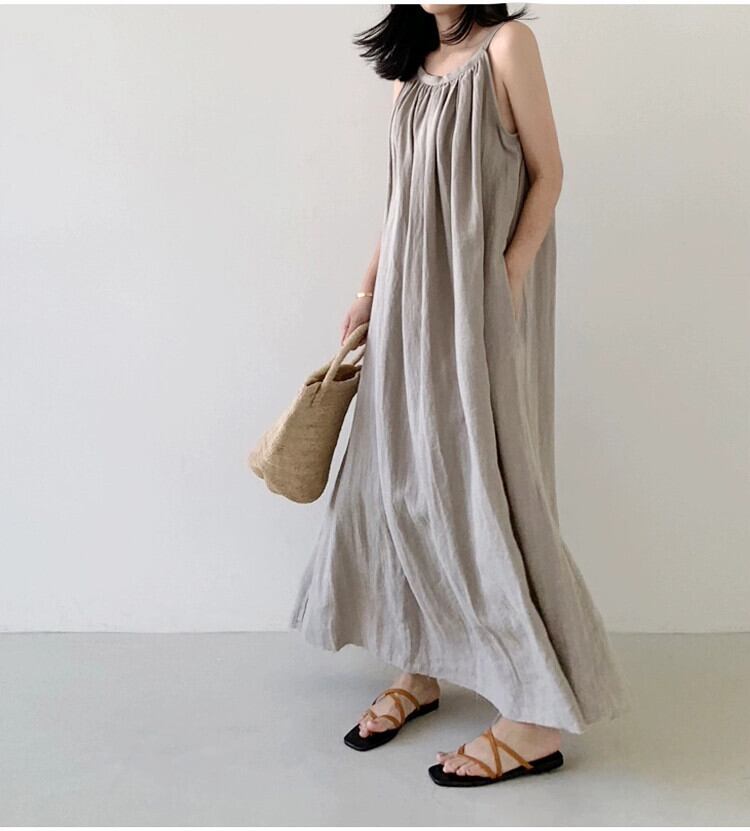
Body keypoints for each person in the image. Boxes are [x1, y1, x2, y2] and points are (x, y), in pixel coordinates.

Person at [291, 3, 628, 787]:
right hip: (407, 303)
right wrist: (368, 292)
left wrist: (508, 275)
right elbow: (403, 202)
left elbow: (548, 173)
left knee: (485, 485)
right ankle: (420, 663)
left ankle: (535, 717)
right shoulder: (410, 73)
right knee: (396, 481)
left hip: (479, 302)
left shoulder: (508, 46)